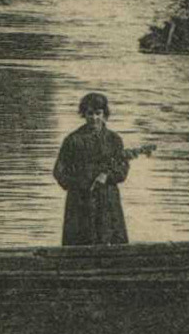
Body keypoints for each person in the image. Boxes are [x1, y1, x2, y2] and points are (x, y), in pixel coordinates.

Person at [52, 92, 145, 246]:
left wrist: (107, 177)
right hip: (80, 204)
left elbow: (122, 169)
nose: (94, 118)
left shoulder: (114, 140)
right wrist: (81, 184)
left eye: (98, 113)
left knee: (111, 243)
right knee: (79, 245)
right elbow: (59, 172)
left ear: (104, 114)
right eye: (90, 113)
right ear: (84, 114)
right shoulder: (73, 140)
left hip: (107, 202)